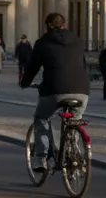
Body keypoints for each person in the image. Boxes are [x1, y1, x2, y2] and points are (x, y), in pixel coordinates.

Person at [20, 13, 90, 172]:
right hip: (82, 90)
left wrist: (24, 83)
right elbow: (83, 64)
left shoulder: (43, 42)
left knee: (41, 117)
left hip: (55, 89)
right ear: (63, 25)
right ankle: (76, 155)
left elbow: (32, 67)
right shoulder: (77, 41)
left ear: (48, 26)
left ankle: (41, 158)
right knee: (75, 118)